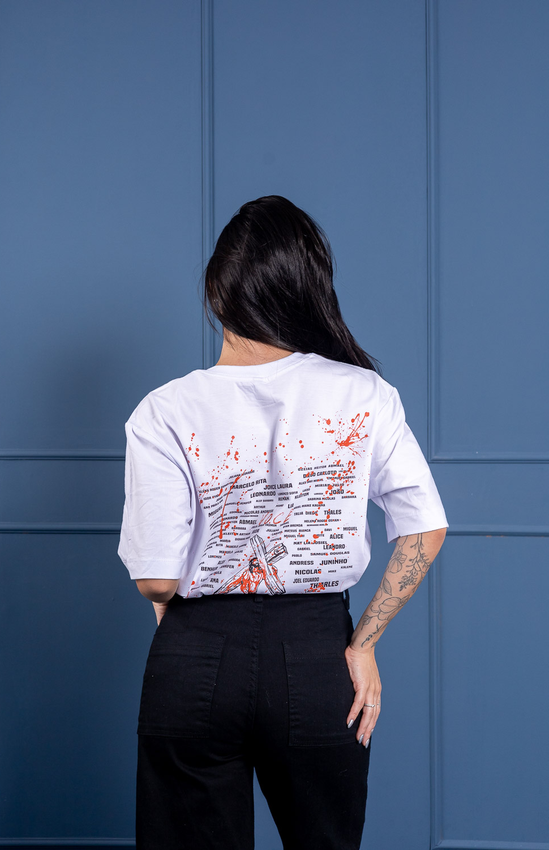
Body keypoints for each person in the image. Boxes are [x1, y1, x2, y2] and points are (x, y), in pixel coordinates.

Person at [117, 195, 448, 850]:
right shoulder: (364, 393)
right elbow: (425, 529)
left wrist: (184, 620)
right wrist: (363, 644)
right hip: (317, 654)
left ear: (217, 293)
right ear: (305, 290)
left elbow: (156, 581)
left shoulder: (164, 409)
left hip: (194, 653)